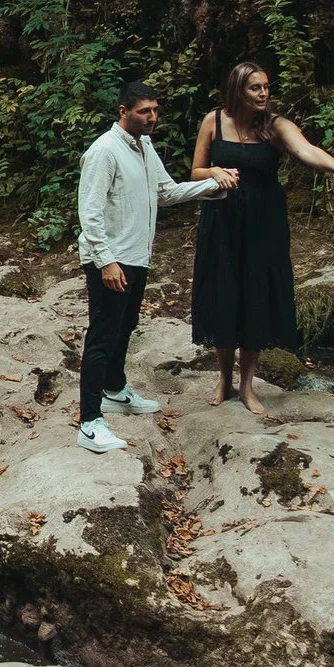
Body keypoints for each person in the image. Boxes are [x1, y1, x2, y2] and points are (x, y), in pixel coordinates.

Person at [189, 61, 334, 416]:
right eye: (255, 88)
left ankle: (247, 385)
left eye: (266, 87)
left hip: (263, 224)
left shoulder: (275, 127)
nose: (263, 94)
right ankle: (223, 379)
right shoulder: (212, 121)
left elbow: (308, 152)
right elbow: (196, 171)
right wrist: (214, 170)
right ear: (237, 91)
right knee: (225, 293)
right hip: (222, 221)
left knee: (255, 295)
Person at [75, 81, 235, 454]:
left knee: (125, 327)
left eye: (155, 111)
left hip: (135, 256)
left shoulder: (144, 146)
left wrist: (212, 182)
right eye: (144, 111)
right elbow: (90, 213)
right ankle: (89, 422)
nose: (152, 118)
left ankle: (114, 389)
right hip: (111, 259)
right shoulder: (104, 152)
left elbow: (164, 193)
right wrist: (106, 261)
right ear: (123, 112)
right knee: (102, 335)